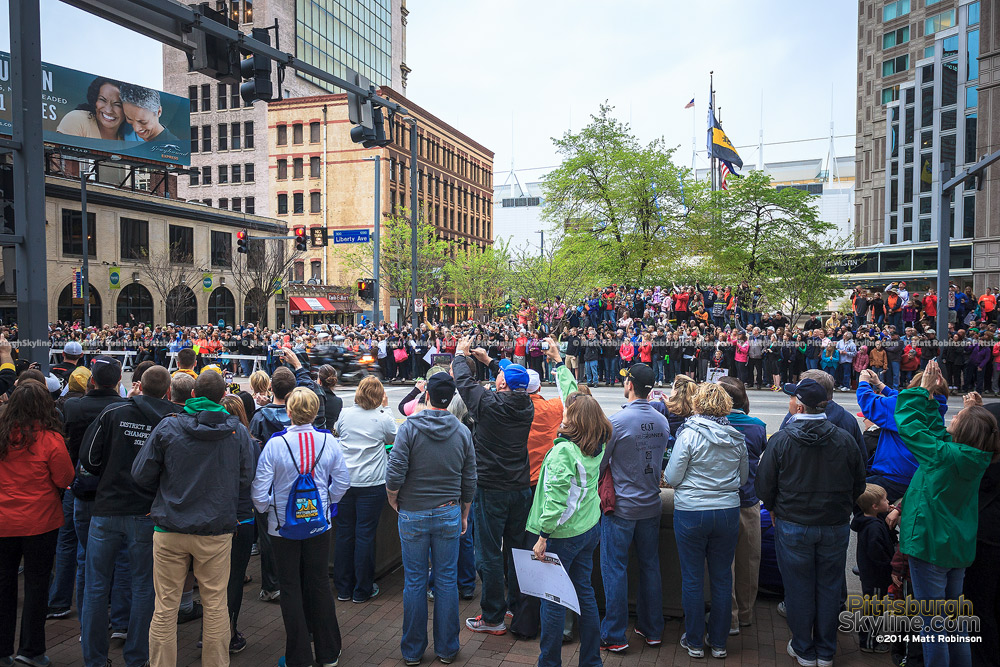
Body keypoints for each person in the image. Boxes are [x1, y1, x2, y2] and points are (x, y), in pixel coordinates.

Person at [131, 371, 255, 667]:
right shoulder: (237, 432)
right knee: (215, 605)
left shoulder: (168, 427)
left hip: (170, 526)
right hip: (215, 529)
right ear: (223, 397)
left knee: (165, 607)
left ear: (191, 396)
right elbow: (246, 477)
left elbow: (140, 473)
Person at [892, 360, 997, 666]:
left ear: (961, 431)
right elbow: (935, 430)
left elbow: (911, 426)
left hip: (931, 548)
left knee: (933, 626)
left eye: (957, 418)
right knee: (953, 621)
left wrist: (923, 390)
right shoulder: (974, 454)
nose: (950, 419)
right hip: (956, 548)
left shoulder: (944, 456)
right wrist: (977, 411)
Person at [755, 378, 866, 667]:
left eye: (792, 399)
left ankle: (804, 647)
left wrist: (774, 508)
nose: (789, 403)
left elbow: (764, 485)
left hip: (794, 523)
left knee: (799, 586)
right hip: (833, 523)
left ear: (800, 406)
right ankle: (825, 650)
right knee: (829, 586)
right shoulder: (844, 438)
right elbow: (859, 483)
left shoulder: (782, 440)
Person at [77, 366, 175, 667]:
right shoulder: (173, 418)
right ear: (167, 391)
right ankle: (137, 657)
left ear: (138, 385)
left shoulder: (114, 412)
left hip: (107, 509)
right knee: (144, 586)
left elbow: (89, 459)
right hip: (146, 512)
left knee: (96, 586)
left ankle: (94, 659)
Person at [252, 387, 350, 667]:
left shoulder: (275, 443)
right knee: (319, 583)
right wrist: (327, 502)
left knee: (290, 587)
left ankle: (299, 657)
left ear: (289, 411)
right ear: (316, 411)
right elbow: (342, 481)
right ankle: (329, 652)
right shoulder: (328, 441)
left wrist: (269, 508)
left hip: (282, 527)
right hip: (319, 524)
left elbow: (259, 491)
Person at [386, 374, 477, 665]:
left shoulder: (410, 427)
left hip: (412, 511)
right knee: (447, 580)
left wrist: (393, 498)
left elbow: (396, 469)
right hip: (448, 510)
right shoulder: (462, 431)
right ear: (449, 399)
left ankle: (412, 651)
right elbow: (469, 478)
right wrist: (464, 512)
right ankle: (447, 648)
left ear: (427, 397)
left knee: (414, 582)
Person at [453, 337, 534, 636]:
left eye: (499, 376)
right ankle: (515, 603)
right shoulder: (526, 406)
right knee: (515, 551)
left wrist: (462, 354)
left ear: (501, 386)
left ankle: (492, 616)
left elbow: (463, 381)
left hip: (491, 488)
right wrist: (489, 361)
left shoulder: (488, 405)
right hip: (520, 488)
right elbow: (511, 376)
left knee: (488, 552)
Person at [664, 383, 748, 659]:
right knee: (723, 577)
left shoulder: (688, 435)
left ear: (697, 404)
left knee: (692, 578)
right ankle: (720, 641)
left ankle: (695, 639)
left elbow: (673, 477)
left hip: (692, 511)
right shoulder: (736, 436)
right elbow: (743, 479)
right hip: (726, 510)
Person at [527, 393, 611, 667]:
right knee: (584, 592)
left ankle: (549, 662)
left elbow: (555, 501)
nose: (563, 411)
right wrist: (560, 365)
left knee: (552, 601)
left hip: (562, 536)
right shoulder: (596, 443)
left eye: (568, 410)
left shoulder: (564, 451)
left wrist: (543, 537)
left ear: (574, 420)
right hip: (587, 527)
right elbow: (577, 397)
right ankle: (591, 660)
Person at [0, 381, 75, 667]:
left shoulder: (2, 435)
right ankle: (30, 651)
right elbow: (65, 479)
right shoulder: (50, 440)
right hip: (39, 523)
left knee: (4, 583)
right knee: (36, 585)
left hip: (4, 521)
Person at [599, 363, 669, 652]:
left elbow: (601, 465)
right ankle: (652, 628)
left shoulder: (617, 422)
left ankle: (615, 634)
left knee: (614, 569)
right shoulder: (662, 421)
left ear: (629, 385)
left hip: (622, 509)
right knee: (650, 567)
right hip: (651, 505)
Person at [333, 376, 397, 603]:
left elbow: (337, 432)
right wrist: (387, 408)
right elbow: (393, 437)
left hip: (345, 482)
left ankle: (343, 587)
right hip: (371, 483)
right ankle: (362, 588)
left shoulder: (345, 414)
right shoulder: (382, 417)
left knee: (344, 534)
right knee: (365, 536)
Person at [717, 376, 766, 634]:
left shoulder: (712, 424)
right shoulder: (757, 427)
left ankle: (731, 617)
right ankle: (746, 613)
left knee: (724, 563)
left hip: (720, 501)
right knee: (749, 560)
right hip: (748, 500)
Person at [218, 395, 258, 655]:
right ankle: (229, 632)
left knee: (213, 578)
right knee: (233, 579)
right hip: (243, 516)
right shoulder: (251, 444)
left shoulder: (210, 440)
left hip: (215, 517)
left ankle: (211, 630)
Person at [851, 483, 894, 654]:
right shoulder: (874, 527)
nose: (888, 501)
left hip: (871, 575)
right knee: (873, 609)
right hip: (876, 576)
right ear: (875, 506)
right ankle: (868, 643)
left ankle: (869, 638)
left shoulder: (870, 520)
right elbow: (877, 553)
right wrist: (890, 567)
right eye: (885, 499)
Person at [55, 77, 135, 141]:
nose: (108, 110)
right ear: (94, 101)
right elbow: (58, 158)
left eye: (117, 104)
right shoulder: (77, 119)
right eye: (102, 100)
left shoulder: (129, 136)